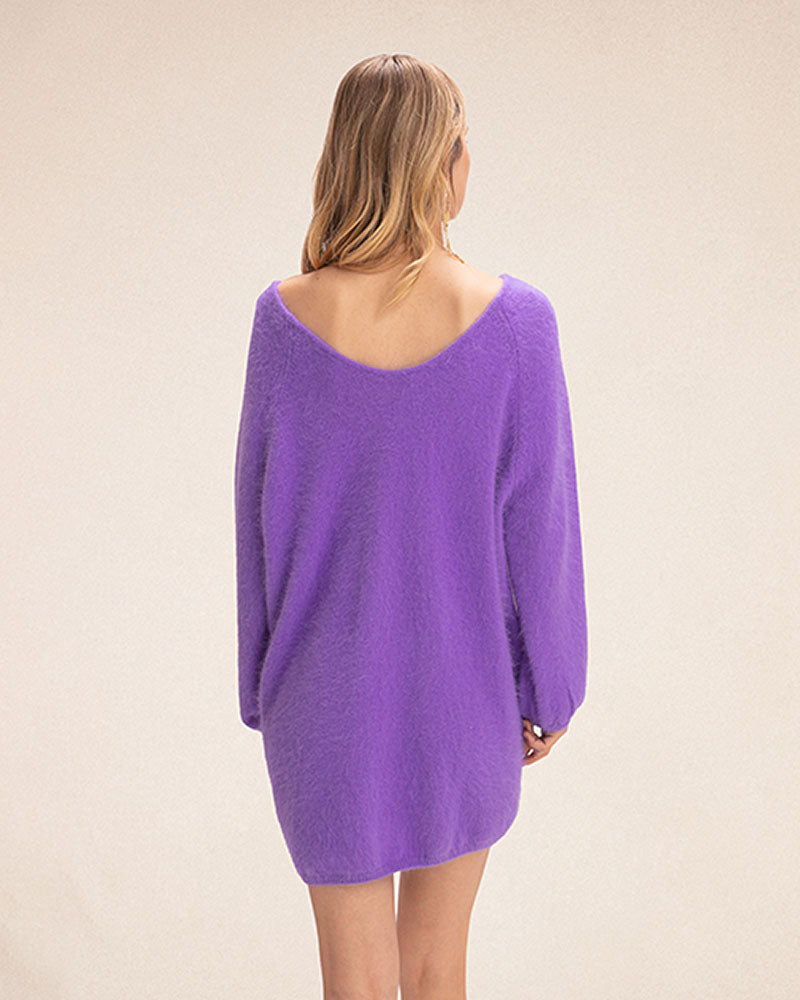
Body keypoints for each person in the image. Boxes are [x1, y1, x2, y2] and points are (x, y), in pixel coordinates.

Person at [234, 52, 588, 1000]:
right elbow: (541, 531)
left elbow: (257, 519)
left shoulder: (284, 320)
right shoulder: (517, 322)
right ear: (442, 161)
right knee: (436, 970)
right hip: (465, 691)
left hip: (322, 699)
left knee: (353, 982)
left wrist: (262, 683)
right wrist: (551, 685)